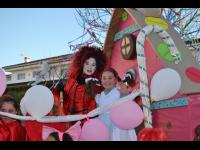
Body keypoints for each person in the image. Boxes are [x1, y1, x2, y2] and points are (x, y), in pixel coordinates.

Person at [56, 45, 106, 128]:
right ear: (81, 63)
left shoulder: (97, 83)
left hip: (87, 124)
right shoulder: (72, 80)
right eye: (87, 63)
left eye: (93, 65)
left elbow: (97, 104)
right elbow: (65, 101)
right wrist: (59, 91)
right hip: (70, 123)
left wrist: (89, 85)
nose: (90, 67)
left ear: (97, 67)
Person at [95, 67, 137, 141]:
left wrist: (128, 94)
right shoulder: (99, 96)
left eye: (110, 78)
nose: (107, 81)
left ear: (115, 80)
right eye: (104, 78)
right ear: (101, 80)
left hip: (116, 124)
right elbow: (98, 112)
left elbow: (127, 104)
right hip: (102, 124)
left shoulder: (119, 92)